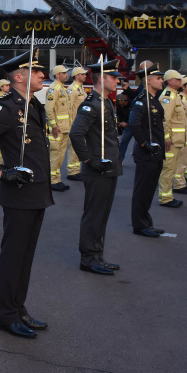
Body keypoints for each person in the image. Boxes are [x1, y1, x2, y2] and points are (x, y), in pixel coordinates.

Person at [0, 50, 53, 340]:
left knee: (26, 257)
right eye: (37, 71)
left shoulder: (33, 105)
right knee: (13, 257)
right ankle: (6, 315)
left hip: (37, 191)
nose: (43, 75)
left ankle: (18, 308)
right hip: (19, 193)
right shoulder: (5, 107)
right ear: (19, 76)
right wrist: (0, 172)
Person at [70, 60, 123, 275]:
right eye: (114, 77)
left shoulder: (106, 102)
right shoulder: (91, 104)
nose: (118, 80)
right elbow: (76, 134)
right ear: (102, 79)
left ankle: (98, 255)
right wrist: (90, 160)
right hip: (98, 169)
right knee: (94, 215)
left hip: (109, 167)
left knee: (102, 214)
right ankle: (88, 258)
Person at [128, 64, 167, 238]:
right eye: (158, 78)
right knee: (142, 191)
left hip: (156, 153)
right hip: (147, 154)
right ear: (149, 81)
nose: (162, 81)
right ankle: (139, 225)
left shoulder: (154, 99)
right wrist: (144, 144)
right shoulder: (141, 100)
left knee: (149, 190)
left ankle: (146, 222)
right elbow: (134, 124)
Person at [157, 70, 186, 207]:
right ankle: (165, 198)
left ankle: (168, 196)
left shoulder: (175, 95)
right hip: (171, 141)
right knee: (168, 169)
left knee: (171, 168)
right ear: (170, 81)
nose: (181, 82)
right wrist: (166, 138)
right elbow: (165, 120)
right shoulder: (168, 97)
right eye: (178, 79)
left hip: (176, 140)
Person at [45, 64, 72, 191]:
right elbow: (49, 109)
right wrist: (53, 126)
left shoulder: (62, 88)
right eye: (64, 73)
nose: (67, 75)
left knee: (61, 155)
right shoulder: (53, 89)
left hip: (65, 128)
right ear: (57, 75)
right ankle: (52, 181)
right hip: (57, 129)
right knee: (55, 155)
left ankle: (57, 179)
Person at [172, 77, 187, 195]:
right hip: (184, 136)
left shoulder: (185, 98)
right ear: (184, 87)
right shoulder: (180, 98)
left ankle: (180, 182)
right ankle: (178, 184)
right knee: (181, 162)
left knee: (185, 161)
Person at [66, 66, 88, 181]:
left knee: (79, 148)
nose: (85, 76)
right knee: (73, 148)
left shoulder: (80, 88)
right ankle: (71, 172)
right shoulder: (72, 89)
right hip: (74, 123)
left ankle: (76, 170)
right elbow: (69, 108)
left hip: (81, 123)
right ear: (77, 76)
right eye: (83, 74)